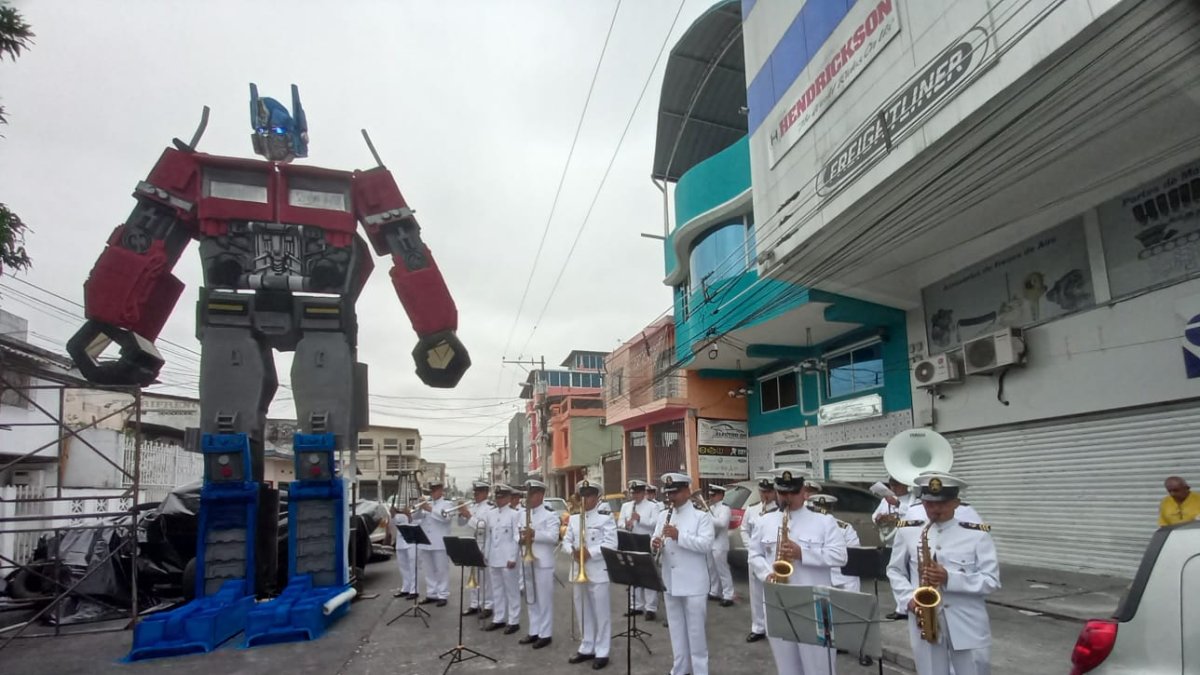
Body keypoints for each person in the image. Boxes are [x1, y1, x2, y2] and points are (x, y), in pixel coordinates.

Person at [887, 472, 1000, 675]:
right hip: (925, 622)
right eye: (928, 504)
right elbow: (894, 570)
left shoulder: (977, 534)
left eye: (942, 504)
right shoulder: (908, 531)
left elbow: (991, 581)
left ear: (957, 503)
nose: (934, 510)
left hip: (967, 623)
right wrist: (907, 599)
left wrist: (949, 578)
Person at [748, 470, 848, 675]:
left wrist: (803, 553)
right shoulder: (764, 521)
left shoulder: (824, 521)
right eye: (783, 493)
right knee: (786, 669)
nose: (787, 498)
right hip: (778, 603)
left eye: (792, 493)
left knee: (819, 668)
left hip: (814, 605)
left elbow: (840, 556)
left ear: (804, 492)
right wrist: (767, 574)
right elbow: (754, 555)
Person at [651, 472, 715, 675]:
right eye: (669, 493)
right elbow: (654, 538)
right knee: (676, 630)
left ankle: (699, 671)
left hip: (694, 583)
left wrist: (680, 536)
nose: (671, 497)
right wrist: (654, 544)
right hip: (671, 580)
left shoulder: (701, 516)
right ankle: (680, 668)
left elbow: (706, 545)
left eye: (675, 492)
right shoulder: (663, 515)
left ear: (687, 491)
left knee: (696, 633)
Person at [561, 478, 617, 670]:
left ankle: (602, 651)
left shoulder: (605, 517)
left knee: (601, 613)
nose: (585, 499)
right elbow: (566, 541)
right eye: (582, 496)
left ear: (597, 497)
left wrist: (589, 553)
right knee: (582, 610)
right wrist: (573, 552)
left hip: (597, 570)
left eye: (590, 496)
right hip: (579, 570)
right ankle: (587, 646)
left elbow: (611, 543)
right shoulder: (575, 518)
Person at [518, 479, 559, 649]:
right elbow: (515, 534)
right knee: (531, 598)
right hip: (527, 560)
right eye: (528, 494)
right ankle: (534, 630)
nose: (528, 497)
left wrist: (534, 535)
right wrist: (520, 539)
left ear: (541, 495)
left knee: (544, 599)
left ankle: (545, 633)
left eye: (532, 494)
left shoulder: (550, 515)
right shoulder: (521, 514)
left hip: (543, 562)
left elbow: (554, 537)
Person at [479, 484, 521, 634]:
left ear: (509, 498)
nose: (499, 499)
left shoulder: (514, 514)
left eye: (502, 496)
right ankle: (499, 618)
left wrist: (512, 557)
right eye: (497, 497)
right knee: (496, 589)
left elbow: (517, 537)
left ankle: (514, 620)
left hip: (508, 558)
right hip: (494, 557)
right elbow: (489, 536)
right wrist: (486, 554)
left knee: (512, 590)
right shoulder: (491, 514)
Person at [740, 475, 777, 642]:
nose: (765, 495)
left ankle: (774, 627)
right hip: (754, 557)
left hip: (772, 557)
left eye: (769, 492)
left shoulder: (780, 510)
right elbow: (744, 530)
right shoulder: (752, 509)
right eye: (763, 492)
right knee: (755, 593)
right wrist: (750, 548)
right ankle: (758, 627)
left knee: (773, 594)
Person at [619, 479, 660, 620]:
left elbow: (655, 524)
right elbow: (619, 523)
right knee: (633, 575)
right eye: (633, 493)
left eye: (637, 493)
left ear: (643, 493)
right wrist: (626, 524)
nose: (634, 496)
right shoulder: (626, 506)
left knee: (647, 576)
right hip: (630, 541)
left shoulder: (652, 506)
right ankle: (635, 605)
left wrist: (639, 518)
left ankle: (651, 608)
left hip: (645, 542)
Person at [808, 494, 862, 593]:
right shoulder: (806, 527)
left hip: (843, 579)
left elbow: (853, 553)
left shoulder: (845, 528)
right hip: (818, 578)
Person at [412, 480, 452, 606]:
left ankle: (443, 594)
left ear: (441, 491)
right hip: (426, 542)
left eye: (435, 490)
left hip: (440, 543)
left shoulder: (447, 504)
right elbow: (415, 518)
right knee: (428, 570)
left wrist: (429, 509)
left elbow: (446, 518)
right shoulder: (427, 503)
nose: (433, 493)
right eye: (431, 491)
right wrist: (418, 507)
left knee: (441, 570)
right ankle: (431, 593)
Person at [459, 481, 494, 617]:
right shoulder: (473, 506)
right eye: (474, 493)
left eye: (478, 493)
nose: (475, 495)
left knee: (485, 579)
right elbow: (462, 524)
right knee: (472, 575)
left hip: (484, 545)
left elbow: (482, 526)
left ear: (485, 493)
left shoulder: (490, 508)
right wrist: (461, 514)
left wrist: (468, 516)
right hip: (472, 544)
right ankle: (475, 603)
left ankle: (488, 605)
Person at [703, 484, 734, 606]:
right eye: (710, 495)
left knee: (723, 570)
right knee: (711, 569)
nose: (711, 497)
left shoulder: (725, 508)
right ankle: (714, 591)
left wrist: (708, 515)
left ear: (721, 495)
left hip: (720, 543)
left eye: (714, 495)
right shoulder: (712, 507)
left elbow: (722, 523)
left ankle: (728, 594)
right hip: (711, 542)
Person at [390, 504, 417, 599]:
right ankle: (406, 588)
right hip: (400, 542)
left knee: (412, 567)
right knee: (403, 567)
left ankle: (414, 590)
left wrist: (409, 516)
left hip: (411, 541)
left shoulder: (416, 509)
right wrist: (392, 515)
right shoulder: (398, 511)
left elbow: (417, 524)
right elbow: (392, 526)